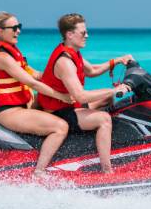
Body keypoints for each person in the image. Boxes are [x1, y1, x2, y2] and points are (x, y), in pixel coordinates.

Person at [0, 12, 73, 178]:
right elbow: (32, 83)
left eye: (19, 26)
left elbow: (37, 75)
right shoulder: (1, 57)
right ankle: (39, 172)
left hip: (25, 105)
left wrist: (67, 77)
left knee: (64, 107)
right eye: (14, 28)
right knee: (60, 127)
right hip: (10, 112)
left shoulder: (13, 52)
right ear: (1, 31)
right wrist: (61, 96)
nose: (18, 31)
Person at [38, 13, 133, 174]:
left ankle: (102, 142)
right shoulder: (64, 62)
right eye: (83, 33)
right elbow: (81, 96)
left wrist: (117, 60)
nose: (87, 36)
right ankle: (107, 171)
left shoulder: (72, 52)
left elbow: (92, 70)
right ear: (70, 34)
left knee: (107, 99)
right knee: (104, 119)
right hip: (58, 112)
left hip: (69, 105)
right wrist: (114, 90)